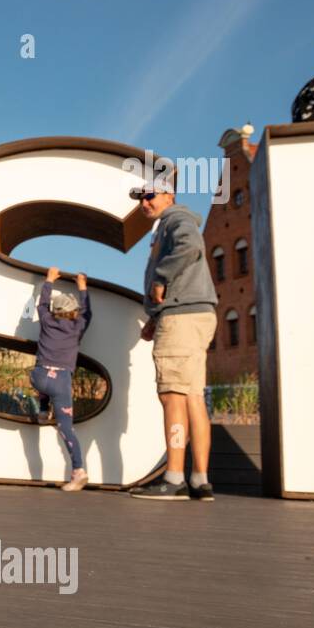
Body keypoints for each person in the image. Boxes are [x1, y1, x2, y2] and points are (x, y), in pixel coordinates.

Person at [127, 180, 219, 501]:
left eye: (150, 195)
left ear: (169, 195)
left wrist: (160, 278)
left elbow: (190, 246)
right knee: (192, 396)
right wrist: (156, 317)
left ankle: (174, 478)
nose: (144, 203)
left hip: (182, 317)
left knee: (173, 396)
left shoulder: (175, 220)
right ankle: (199, 480)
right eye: (140, 198)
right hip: (192, 315)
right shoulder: (174, 221)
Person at [31, 267, 91, 491]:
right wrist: (82, 287)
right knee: (66, 429)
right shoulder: (77, 328)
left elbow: (41, 304)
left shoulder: (47, 321)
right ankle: (78, 471)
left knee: (40, 381)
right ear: (74, 313)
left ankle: (43, 409)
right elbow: (88, 314)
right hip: (61, 381)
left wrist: (49, 280)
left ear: (55, 311)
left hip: (39, 376)